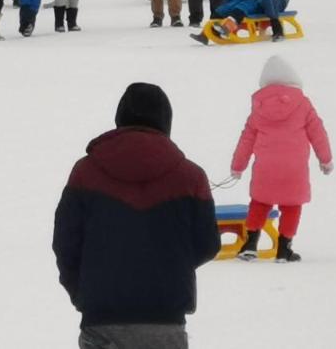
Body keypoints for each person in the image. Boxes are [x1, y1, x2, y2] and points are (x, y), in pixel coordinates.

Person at [53, 83, 220, 348]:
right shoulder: (191, 176)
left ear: (120, 119)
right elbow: (208, 244)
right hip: (167, 317)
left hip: (101, 319)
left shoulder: (85, 172)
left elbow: (66, 243)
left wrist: (82, 291)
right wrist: (171, 266)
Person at [225, 56, 333, 262]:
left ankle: (250, 244)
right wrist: (325, 159)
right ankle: (284, 248)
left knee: (259, 202)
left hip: (266, 167)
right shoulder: (303, 103)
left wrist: (238, 166)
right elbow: (318, 132)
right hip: (295, 168)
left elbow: (247, 137)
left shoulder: (259, 106)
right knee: (291, 206)